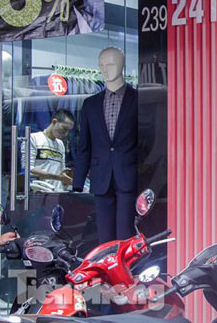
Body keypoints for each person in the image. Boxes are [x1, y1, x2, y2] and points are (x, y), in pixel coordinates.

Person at [73, 47, 138, 244]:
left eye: (110, 64)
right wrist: (78, 182)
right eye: (101, 65)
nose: (105, 69)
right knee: (104, 238)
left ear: (122, 65)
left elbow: (146, 140)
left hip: (129, 176)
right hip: (101, 178)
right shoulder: (90, 104)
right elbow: (84, 145)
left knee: (126, 235)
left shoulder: (138, 99)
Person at [21, 109, 75, 192]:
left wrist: (66, 179)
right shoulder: (33, 138)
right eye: (64, 128)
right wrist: (58, 177)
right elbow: (27, 168)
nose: (66, 133)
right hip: (39, 192)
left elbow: (61, 171)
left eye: (69, 130)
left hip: (58, 192)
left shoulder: (60, 144)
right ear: (54, 121)